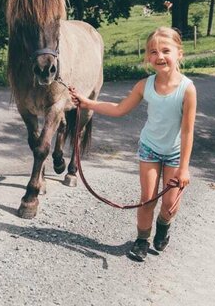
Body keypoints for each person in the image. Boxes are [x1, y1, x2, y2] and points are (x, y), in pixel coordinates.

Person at [69, 26, 197, 262]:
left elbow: (188, 131)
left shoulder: (187, 89)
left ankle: (164, 226)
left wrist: (184, 168)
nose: (159, 56)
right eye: (153, 52)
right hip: (149, 149)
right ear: (148, 57)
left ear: (179, 53)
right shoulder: (144, 85)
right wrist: (87, 103)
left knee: (169, 205)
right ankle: (141, 241)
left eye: (165, 50)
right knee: (147, 198)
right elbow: (119, 109)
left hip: (175, 154)